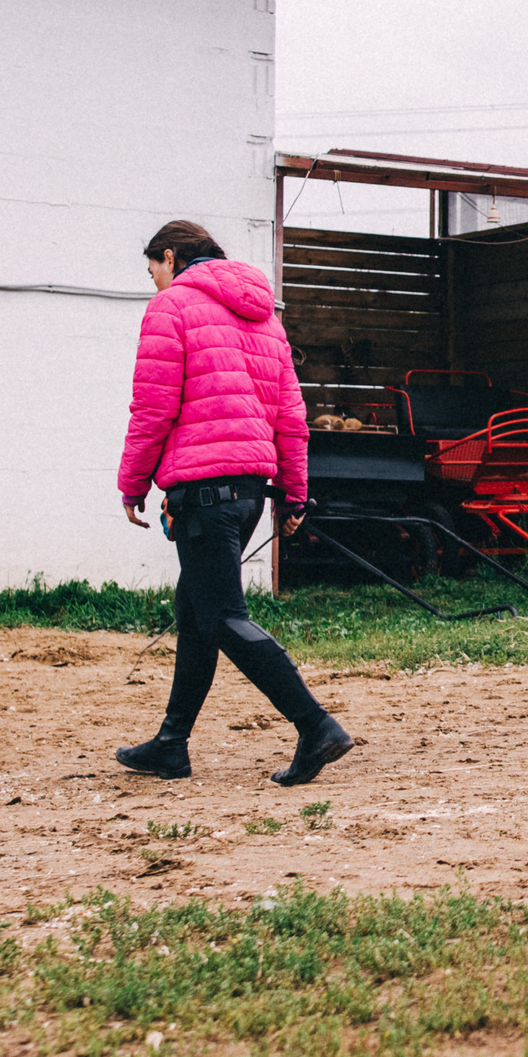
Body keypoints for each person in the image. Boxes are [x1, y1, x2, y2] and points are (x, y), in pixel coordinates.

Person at [114, 220, 353, 787]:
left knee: (221, 616)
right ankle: (171, 745)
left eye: (153, 270)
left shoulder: (172, 308)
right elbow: (291, 418)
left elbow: (153, 408)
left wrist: (132, 484)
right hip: (246, 493)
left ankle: (316, 725)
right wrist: (294, 494)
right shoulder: (265, 317)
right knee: (197, 612)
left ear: (170, 256)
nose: (153, 283)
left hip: (202, 491)